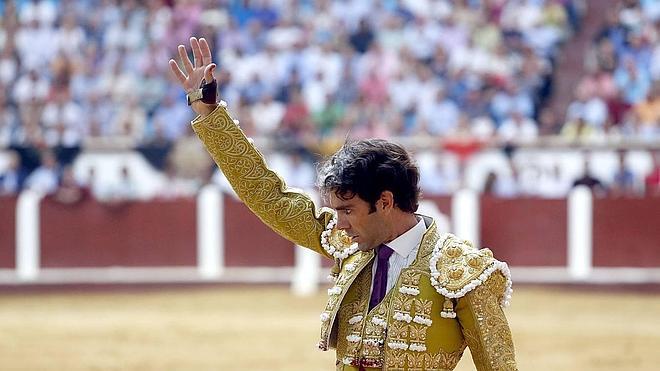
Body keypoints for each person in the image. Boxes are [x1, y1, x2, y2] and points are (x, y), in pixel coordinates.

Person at [169, 37, 517, 370]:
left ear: (384, 202)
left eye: (347, 211)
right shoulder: (349, 246)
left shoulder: (464, 272)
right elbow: (269, 198)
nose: (339, 223)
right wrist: (210, 113)